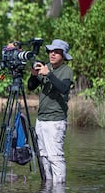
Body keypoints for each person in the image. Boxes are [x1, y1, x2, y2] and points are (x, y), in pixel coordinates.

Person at [28, 39, 73, 184]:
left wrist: (49, 74)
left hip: (56, 120)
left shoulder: (66, 70)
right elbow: (30, 87)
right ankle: (47, 189)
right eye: (50, 51)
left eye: (57, 52)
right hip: (41, 119)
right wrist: (34, 75)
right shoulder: (46, 67)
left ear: (63, 55)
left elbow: (64, 88)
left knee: (55, 156)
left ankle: (59, 192)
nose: (52, 54)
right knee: (43, 157)